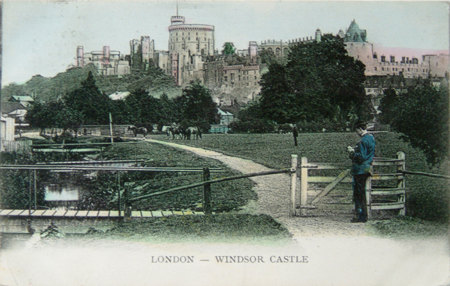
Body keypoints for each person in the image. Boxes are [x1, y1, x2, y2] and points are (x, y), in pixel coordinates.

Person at [347, 122, 375, 223]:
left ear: (360, 129)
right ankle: (364, 215)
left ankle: (361, 216)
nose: (357, 133)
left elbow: (361, 157)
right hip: (367, 168)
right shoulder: (371, 138)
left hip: (360, 170)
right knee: (362, 192)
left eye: (357, 131)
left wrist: (352, 152)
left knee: (358, 193)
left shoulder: (362, 141)